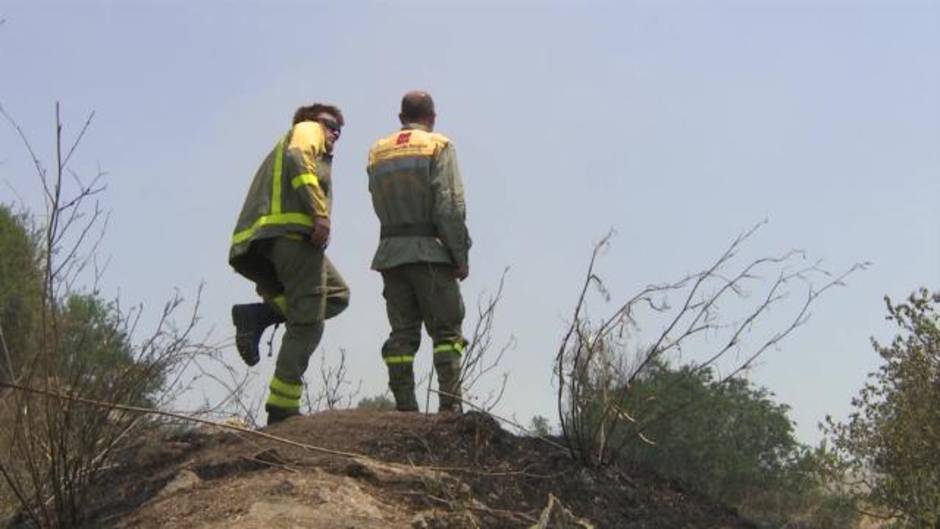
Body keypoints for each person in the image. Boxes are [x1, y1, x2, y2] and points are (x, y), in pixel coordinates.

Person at [229, 103, 350, 425]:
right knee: (309, 322)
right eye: (330, 124)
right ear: (311, 121)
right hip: (292, 238)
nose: (335, 131)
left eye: (340, 128)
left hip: (276, 240)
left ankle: (257, 315)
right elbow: (300, 158)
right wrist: (319, 213)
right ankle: (282, 407)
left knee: (337, 295)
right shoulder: (305, 132)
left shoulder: (298, 144)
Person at [366, 91, 471, 413]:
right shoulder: (438, 145)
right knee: (447, 332)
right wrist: (459, 255)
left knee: (402, 335)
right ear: (433, 117)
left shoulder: (377, 152)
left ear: (401, 118)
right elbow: (450, 207)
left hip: (390, 255)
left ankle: (405, 410)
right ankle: (450, 409)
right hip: (430, 255)